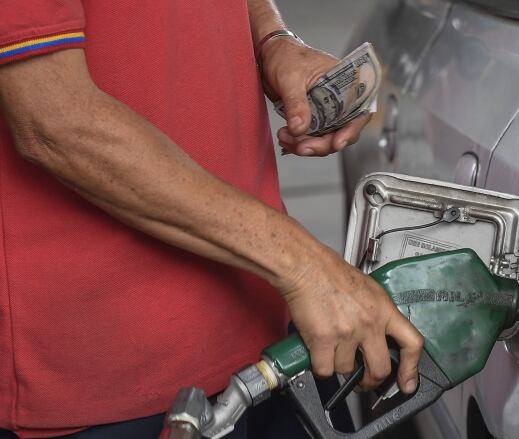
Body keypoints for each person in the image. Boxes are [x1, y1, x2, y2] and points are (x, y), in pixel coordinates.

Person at [0, 1, 424, 438]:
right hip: (113, 380)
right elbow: (54, 120)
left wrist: (271, 39)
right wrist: (302, 265)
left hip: (266, 318)